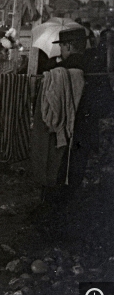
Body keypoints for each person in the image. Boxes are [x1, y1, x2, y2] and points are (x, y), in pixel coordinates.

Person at [45, 27, 111, 197]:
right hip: (89, 128)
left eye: (61, 47)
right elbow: (106, 104)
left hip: (64, 129)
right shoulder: (98, 67)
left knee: (62, 168)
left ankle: (59, 203)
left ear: (67, 46)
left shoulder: (59, 70)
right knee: (80, 167)